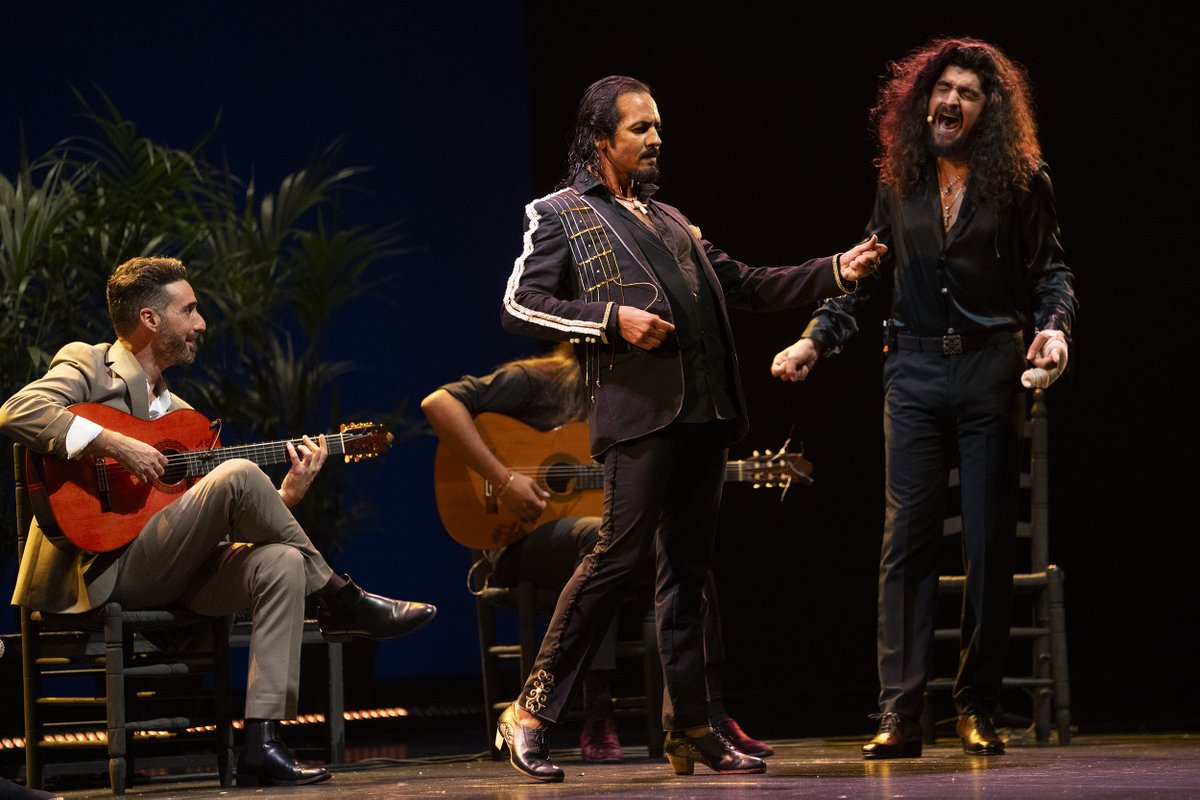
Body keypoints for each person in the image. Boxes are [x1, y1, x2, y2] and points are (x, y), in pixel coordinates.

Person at [494, 75, 884, 782]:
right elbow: (520, 303)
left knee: (688, 574)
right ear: (601, 139)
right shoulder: (560, 213)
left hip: (706, 411)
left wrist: (834, 271)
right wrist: (611, 320)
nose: (656, 138)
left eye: (658, 127)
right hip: (639, 415)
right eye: (640, 128)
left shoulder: (671, 218)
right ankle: (529, 712)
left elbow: (747, 283)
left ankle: (693, 727)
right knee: (615, 559)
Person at [1, 257, 438, 787]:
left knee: (281, 562)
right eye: (189, 310)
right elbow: (17, 410)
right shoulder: (90, 363)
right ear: (150, 319)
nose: (202, 323)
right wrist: (115, 443)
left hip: (175, 569)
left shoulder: (185, 417)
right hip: (104, 566)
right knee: (238, 472)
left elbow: (212, 525)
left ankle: (262, 744)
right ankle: (342, 599)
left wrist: (285, 496)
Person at [771, 37, 1077, 759]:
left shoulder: (1022, 182)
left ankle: (977, 706)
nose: (951, 101)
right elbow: (864, 271)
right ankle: (901, 713)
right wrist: (816, 338)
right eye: (943, 89)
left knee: (987, 542)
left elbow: (1052, 274)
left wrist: (1056, 331)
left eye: (968, 92)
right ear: (923, 101)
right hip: (911, 371)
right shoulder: (901, 179)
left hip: (990, 369)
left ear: (989, 109)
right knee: (904, 541)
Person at [421, 343, 775, 763]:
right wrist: (503, 479)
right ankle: (597, 713)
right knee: (601, 539)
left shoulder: (633, 402)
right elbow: (438, 403)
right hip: (518, 546)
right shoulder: (541, 380)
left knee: (686, 543)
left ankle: (709, 712)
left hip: (597, 543)